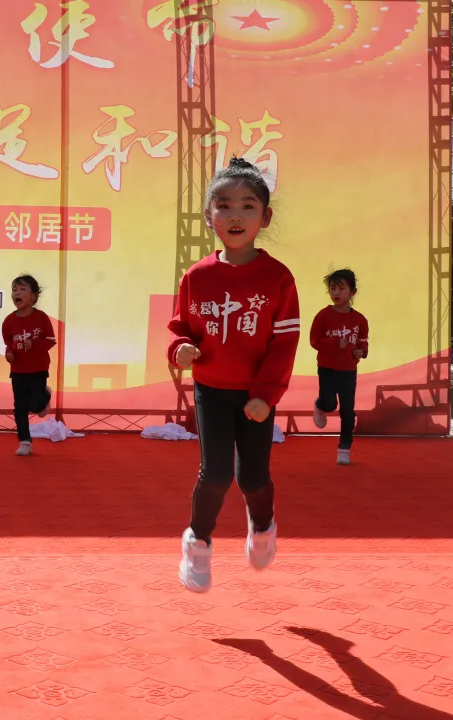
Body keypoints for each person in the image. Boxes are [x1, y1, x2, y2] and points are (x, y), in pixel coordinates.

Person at [167, 157, 301, 593]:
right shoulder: (197, 277)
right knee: (217, 474)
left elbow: (284, 344)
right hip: (211, 390)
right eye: (224, 206)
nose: (235, 215)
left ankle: (262, 526)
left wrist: (266, 394)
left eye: (247, 206)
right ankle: (198, 543)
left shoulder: (278, 278)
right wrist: (180, 350)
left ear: (265, 216)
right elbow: (180, 329)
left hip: (257, 396)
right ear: (209, 217)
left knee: (253, 478)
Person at [310, 269, 368, 465]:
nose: (336, 292)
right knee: (330, 403)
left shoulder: (360, 319)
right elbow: (314, 341)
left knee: (348, 412)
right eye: (332, 288)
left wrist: (361, 351)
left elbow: (362, 340)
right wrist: (335, 344)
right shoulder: (323, 316)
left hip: (349, 370)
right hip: (327, 368)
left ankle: (344, 448)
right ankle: (320, 405)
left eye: (341, 288)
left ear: (352, 292)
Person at [2, 275, 55, 456]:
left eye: (22, 289)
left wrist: (34, 345)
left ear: (33, 296)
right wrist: (9, 356)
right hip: (18, 371)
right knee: (20, 406)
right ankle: (25, 442)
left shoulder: (41, 318)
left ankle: (45, 395)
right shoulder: (9, 321)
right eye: (14, 290)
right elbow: (9, 344)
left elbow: (51, 340)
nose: (17, 293)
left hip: (38, 369)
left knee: (37, 405)